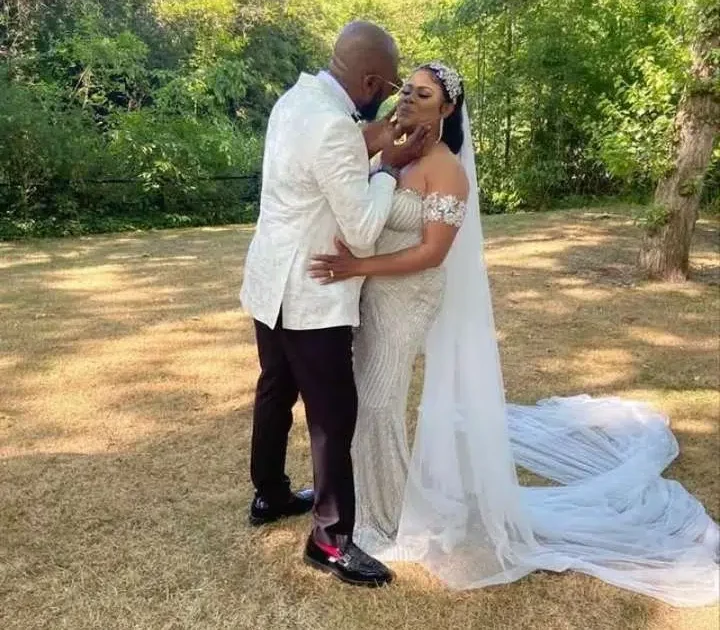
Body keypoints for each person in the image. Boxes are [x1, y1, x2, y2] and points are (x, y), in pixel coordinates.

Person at [309, 62, 719, 607]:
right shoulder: (394, 154)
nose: (407, 97)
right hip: (371, 297)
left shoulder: (446, 170)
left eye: (423, 94)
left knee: (382, 403)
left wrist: (358, 268)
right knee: (363, 401)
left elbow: (432, 252)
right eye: (406, 88)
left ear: (447, 108)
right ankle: (358, 497)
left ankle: (384, 520)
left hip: (407, 299)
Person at [239, 21, 428, 588]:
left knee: (276, 388)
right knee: (333, 414)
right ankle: (330, 539)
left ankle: (270, 494)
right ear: (370, 81)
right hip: (309, 291)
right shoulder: (333, 126)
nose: (389, 98)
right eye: (388, 87)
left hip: (270, 278)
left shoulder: (296, 100)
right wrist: (389, 169)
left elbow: (333, 152)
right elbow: (364, 231)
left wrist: (377, 140)